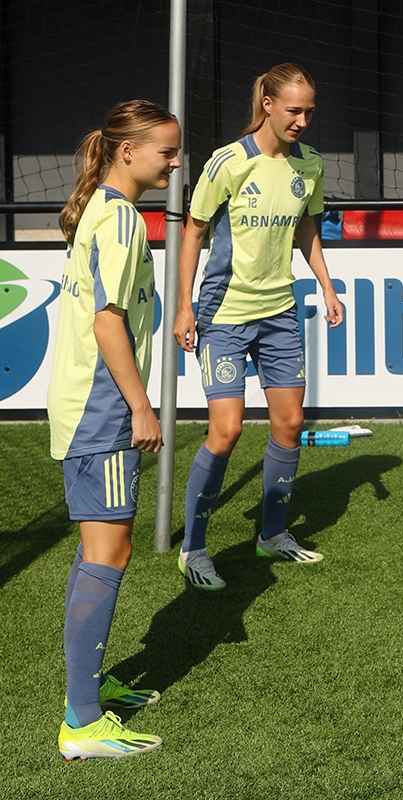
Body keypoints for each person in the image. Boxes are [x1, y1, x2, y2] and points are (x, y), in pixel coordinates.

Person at [173, 63, 344, 589]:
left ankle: (272, 536)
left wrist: (326, 283)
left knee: (288, 425)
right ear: (267, 104)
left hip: (279, 313)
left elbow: (307, 225)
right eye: (294, 110)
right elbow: (193, 232)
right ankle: (194, 548)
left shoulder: (310, 164)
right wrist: (184, 306)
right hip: (223, 314)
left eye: (310, 111)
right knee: (224, 432)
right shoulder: (227, 162)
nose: (303, 121)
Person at [49, 100, 181, 759]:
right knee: (110, 553)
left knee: (97, 551)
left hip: (84, 405)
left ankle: (88, 692)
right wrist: (141, 406)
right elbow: (108, 323)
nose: (175, 161)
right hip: (101, 409)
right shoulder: (122, 220)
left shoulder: (103, 208)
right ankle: (80, 722)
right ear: (127, 151)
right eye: (166, 150)